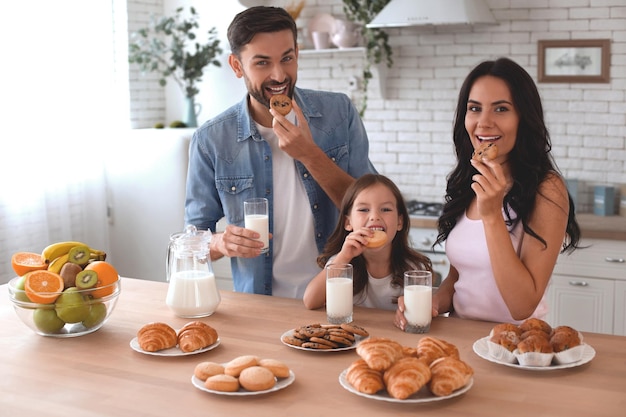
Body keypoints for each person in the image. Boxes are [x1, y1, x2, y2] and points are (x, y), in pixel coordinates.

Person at [184, 6, 377, 298]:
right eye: (262, 63)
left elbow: (373, 214)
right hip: (263, 307)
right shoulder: (211, 140)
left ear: (297, 54)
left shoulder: (339, 113)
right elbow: (191, 243)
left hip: (342, 299)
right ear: (237, 66)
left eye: (286, 58)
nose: (278, 75)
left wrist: (310, 154)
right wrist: (220, 243)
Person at [395, 57, 581, 328]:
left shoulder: (547, 189)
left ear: (523, 117)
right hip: (459, 338)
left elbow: (521, 306)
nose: (484, 122)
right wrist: (435, 301)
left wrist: (492, 214)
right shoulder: (470, 181)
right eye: (475, 108)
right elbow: (458, 278)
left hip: (515, 347)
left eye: (501, 109)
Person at [303, 174, 432, 311]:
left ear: (400, 222)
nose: (375, 217)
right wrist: (344, 257)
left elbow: (422, 313)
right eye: (364, 210)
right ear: (348, 222)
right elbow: (311, 301)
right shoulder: (341, 263)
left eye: (386, 209)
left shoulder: (414, 268)